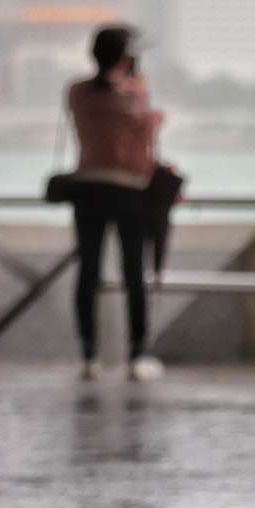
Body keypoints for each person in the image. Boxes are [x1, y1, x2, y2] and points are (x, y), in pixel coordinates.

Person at [68, 25, 164, 382]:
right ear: (126, 57)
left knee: (88, 273)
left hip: (87, 189)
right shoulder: (131, 95)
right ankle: (138, 351)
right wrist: (137, 83)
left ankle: (89, 353)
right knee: (133, 273)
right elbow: (149, 130)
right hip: (128, 191)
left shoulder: (77, 91)